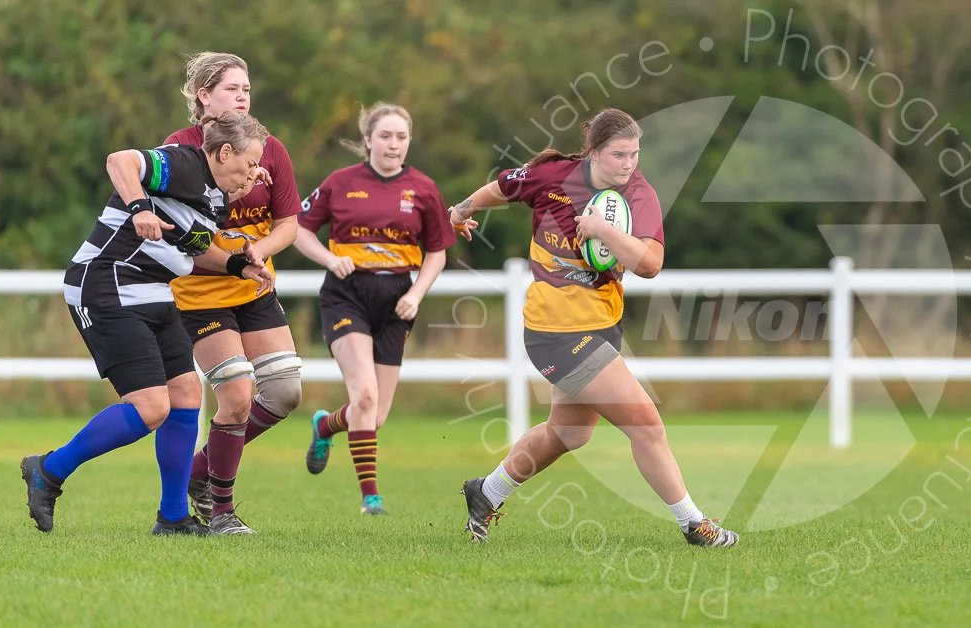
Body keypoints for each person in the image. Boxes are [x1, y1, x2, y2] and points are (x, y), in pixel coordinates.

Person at [448, 108, 739, 547]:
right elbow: (503, 187)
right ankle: (693, 524)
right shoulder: (554, 177)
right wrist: (461, 210)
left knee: (570, 432)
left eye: (635, 154)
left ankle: (484, 493)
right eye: (619, 155)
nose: (629, 164)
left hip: (602, 323)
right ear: (594, 153)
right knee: (646, 423)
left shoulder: (639, 194)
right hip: (554, 328)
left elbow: (651, 264)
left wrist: (602, 229)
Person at [21, 112, 274, 536]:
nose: (254, 173)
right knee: (152, 407)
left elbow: (191, 252)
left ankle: (172, 518)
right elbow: (120, 160)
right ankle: (47, 470)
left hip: (152, 291)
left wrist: (236, 266)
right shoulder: (186, 163)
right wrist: (138, 207)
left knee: (186, 395)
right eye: (250, 164)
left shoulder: (215, 198)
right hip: (105, 283)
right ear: (224, 152)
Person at [165, 52, 305, 535]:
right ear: (203, 96)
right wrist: (235, 194)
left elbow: (290, 223)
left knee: (286, 392)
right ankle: (221, 511)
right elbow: (181, 231)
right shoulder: (181, 148)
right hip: (201, 291)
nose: (242, 96)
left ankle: (202, 469)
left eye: (247, 89)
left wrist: (259, 253)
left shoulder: (270, 147)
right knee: (238, 397)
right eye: (231, 89)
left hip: (253, 286)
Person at [294, 102, 453, 515]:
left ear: (409, 142)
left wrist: (416, 294)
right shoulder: (341, 182)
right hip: (346, 296)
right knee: (364, 394)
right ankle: (371, 498)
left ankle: (325, 425)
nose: (393, 144)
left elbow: (437, 252)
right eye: (385, 136)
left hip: (397, 302)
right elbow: (298, 230)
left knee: (375, 414)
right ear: (368, 141)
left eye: (401, 137)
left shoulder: (423, 189)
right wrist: (330, 260)